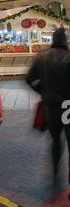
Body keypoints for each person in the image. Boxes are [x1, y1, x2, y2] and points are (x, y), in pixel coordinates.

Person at [26, 27, 70, 185]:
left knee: (56, 140)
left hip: (50, 105)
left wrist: (43, 91)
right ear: (65, 40)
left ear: (53, 39)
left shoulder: (41, 57)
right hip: (68, 106)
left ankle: (55, 170)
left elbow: (29, 78)